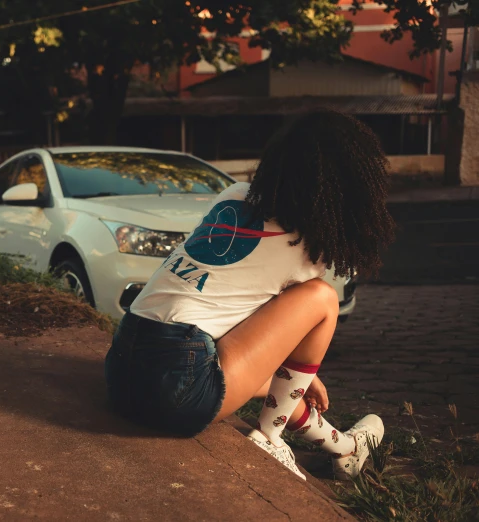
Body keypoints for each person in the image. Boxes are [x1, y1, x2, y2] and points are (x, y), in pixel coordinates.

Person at [104, 109, 395, 480]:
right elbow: (265, 328)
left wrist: (293, 376)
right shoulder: (308, 248)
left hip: (123, 365)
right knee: (321, 298)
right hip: (179, 383)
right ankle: (271, 438)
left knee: (284, 385)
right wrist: (297, 371)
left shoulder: (233, 195)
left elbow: (235, 317)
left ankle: (346, 449)